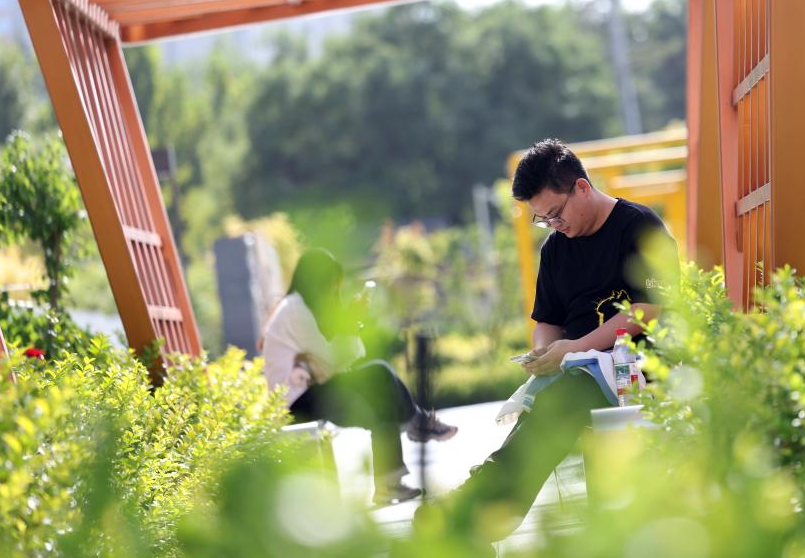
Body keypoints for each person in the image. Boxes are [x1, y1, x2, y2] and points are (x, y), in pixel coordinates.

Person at [414, 138, 674, 544]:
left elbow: (651, 308)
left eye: (555, 213)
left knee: (557, 405)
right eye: (543, 219)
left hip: (637, 367)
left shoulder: (639, 225)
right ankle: (480, 517)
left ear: (582, 187)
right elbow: (548, 320)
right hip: (579, 371)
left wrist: (578, 347)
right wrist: (544, 349)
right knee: (542, 409)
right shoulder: (555, 249)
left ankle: (475, 511)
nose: (554, 225)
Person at [261, 248, 458, 505]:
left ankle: (390, 482)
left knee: (382, 394)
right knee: (379, 373)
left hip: (312, 392)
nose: (333, 291)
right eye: (331, 284)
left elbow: (336, 361)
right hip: (296, 401)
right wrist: (352, 325)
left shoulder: (304, 309)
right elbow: (331, 359)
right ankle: (416, 423)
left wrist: (350, 326)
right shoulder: (295, 311)